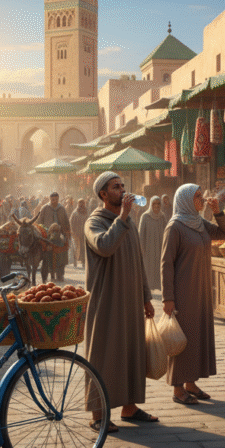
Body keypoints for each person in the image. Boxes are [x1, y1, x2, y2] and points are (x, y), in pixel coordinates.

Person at [84, 172, 158, 430]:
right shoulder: (94, 222)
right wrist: (124, 217)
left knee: (131, 353)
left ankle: (130, 406)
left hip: (130, 301)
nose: (123, 190)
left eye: (123, 186)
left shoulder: (130, 222)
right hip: (106, 301)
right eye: (116, 187)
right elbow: (104, 246)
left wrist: (146, 297)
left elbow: (139, 261)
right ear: (103, 194)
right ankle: (98, 414)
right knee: (103, 355)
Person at [161, 184, 225, 405]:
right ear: (184, 200)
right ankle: (177, 388)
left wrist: (218, 211)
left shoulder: (199, 223)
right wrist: (168, 298)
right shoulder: (175, 227)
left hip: (201, 290)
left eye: (201, 196)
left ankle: (191, 383)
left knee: (197, 338)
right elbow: (166, 264)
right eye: (197, 197)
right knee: (182, 340)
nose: (201, 200)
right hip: (182, 292)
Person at [138, 195, 168, 291]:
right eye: (154, 204)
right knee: (148, 268)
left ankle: (159, 287)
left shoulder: (162, 217)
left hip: (160, 248)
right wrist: (141, 249)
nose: (156, 206)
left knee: (159, 268)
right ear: (150, 205)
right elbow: (141, 234)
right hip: (148, 249)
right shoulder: (145, 216)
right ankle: (148, 290)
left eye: (158, 204)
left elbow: (166, 233)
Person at [39, 192, 71, 271]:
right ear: (50, 199)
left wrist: (67, 232)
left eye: (56, 199)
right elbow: (39, 221)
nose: (54, 201)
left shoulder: (62, 208)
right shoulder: (45, 208)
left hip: (60, 232)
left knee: (63, 247)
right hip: (47, 233)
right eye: (53, 199)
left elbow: (66, 221)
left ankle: (61, 268)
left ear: (58, 199)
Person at [70, 198, 88, 269]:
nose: (81, 204)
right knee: (76, 248)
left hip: (84, 234)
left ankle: (84, 262)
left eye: (82, 203)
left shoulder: (86, 211)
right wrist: (73, 232)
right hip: (76, 234)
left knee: (84, 249)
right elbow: (71, 222)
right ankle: (75, 262)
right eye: (80, 203)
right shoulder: (75, 213)